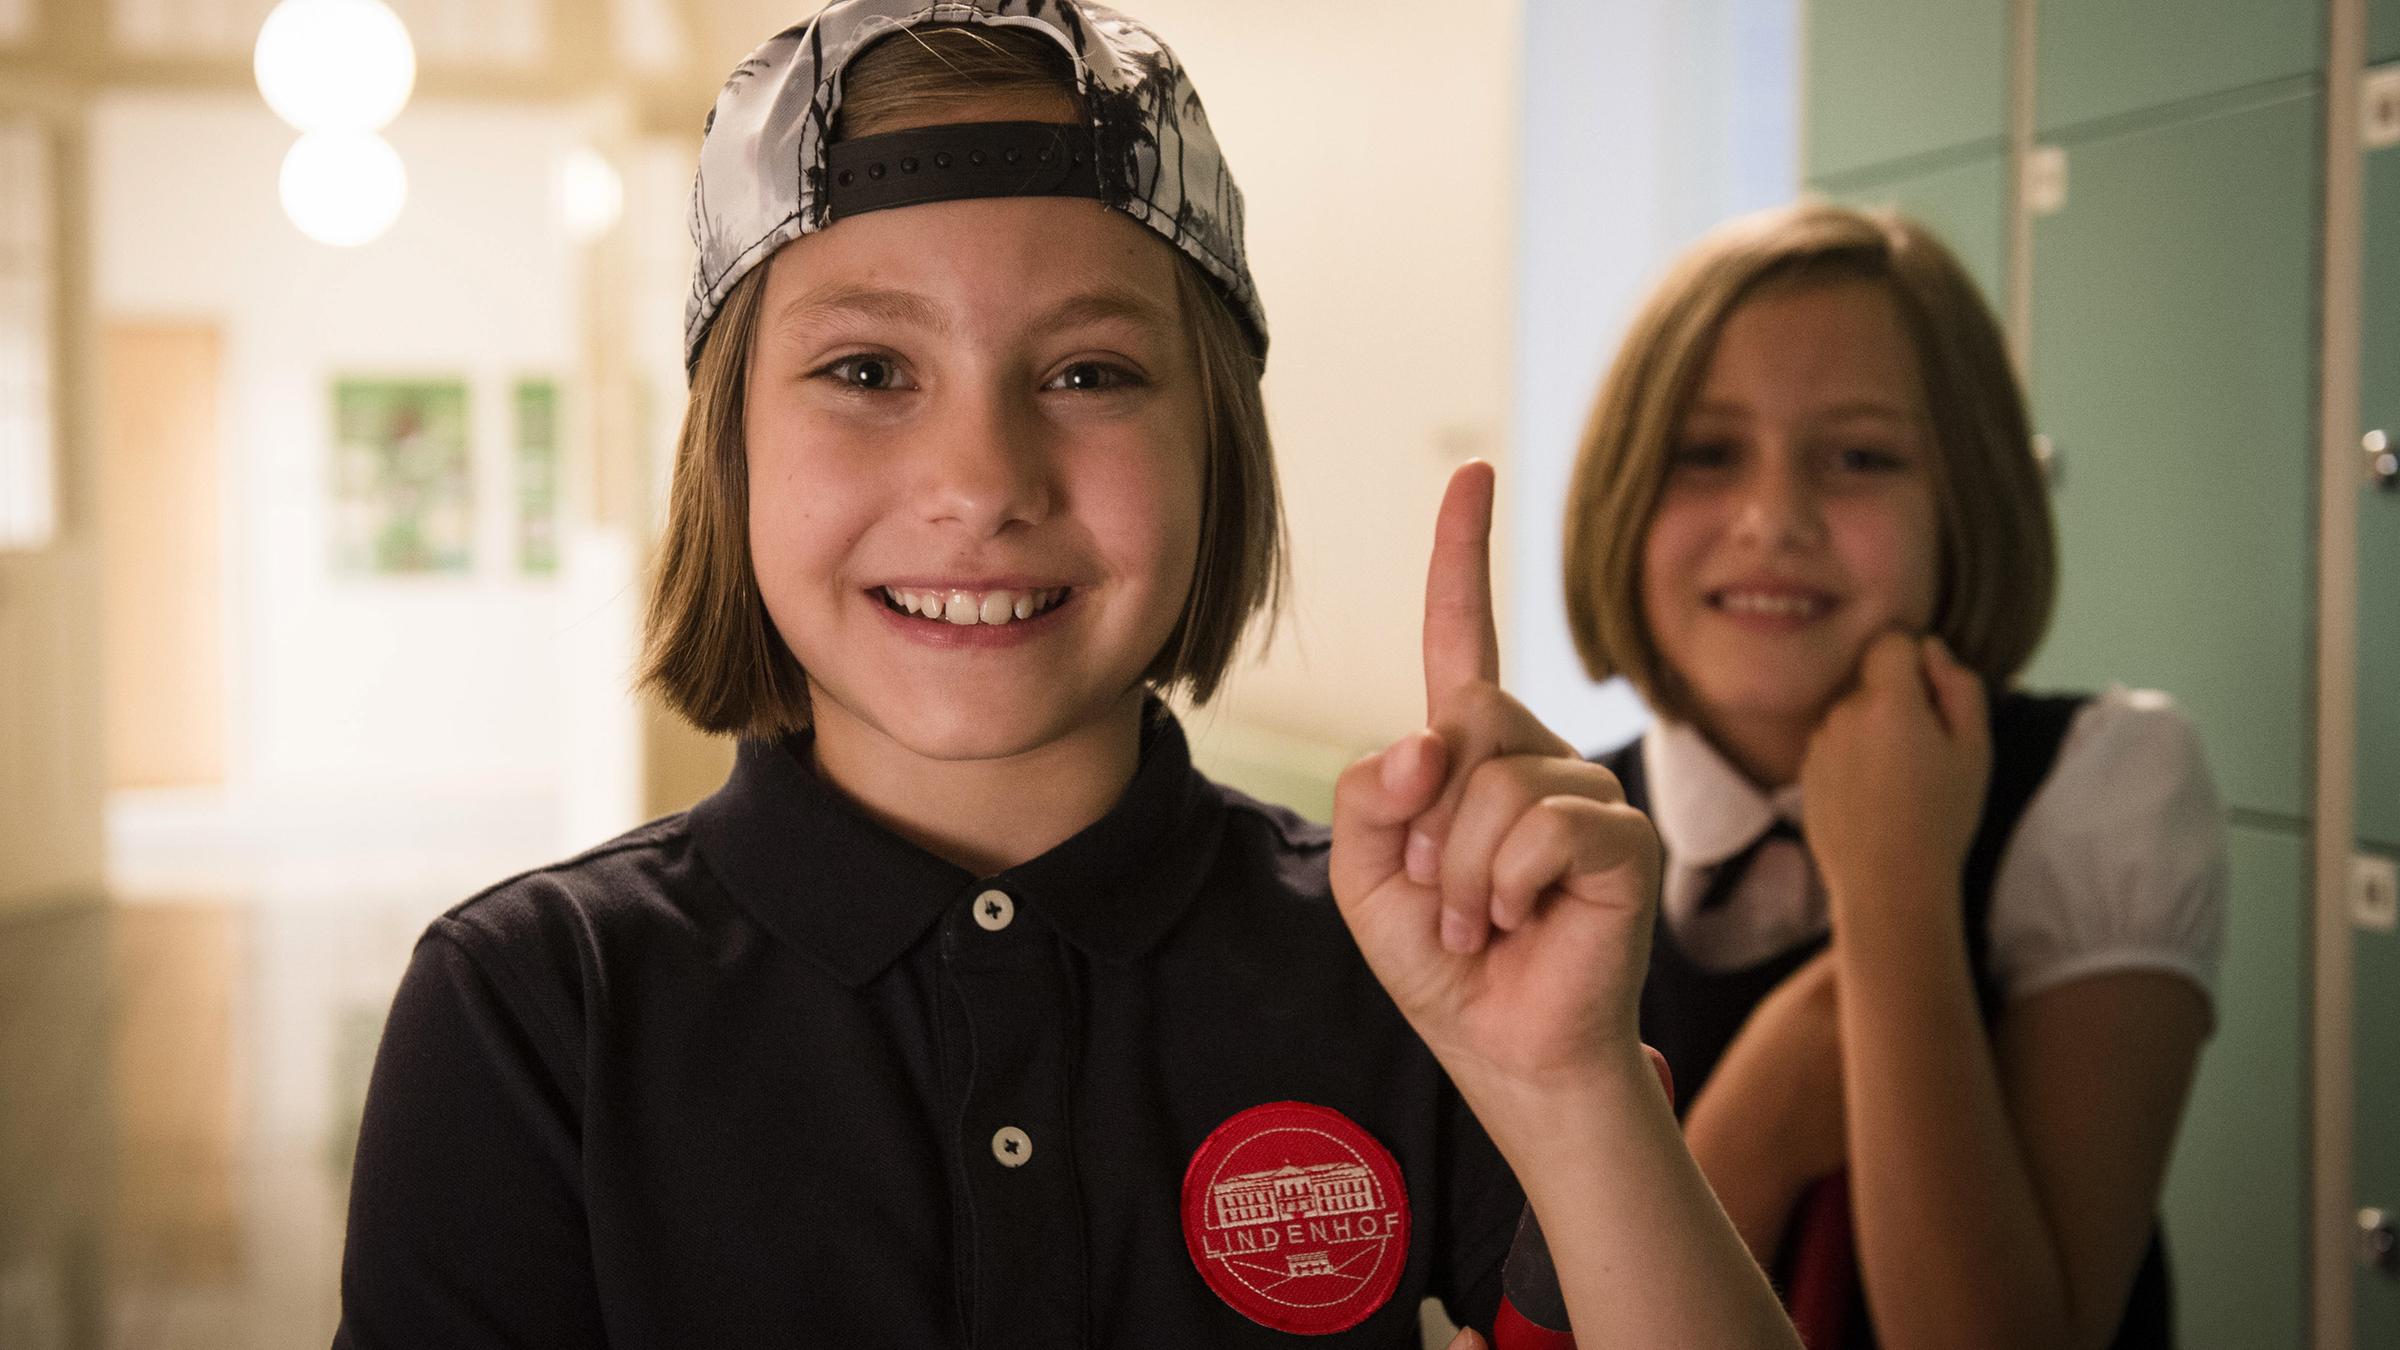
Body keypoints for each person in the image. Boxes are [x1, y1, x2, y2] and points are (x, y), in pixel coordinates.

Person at [332, 4, 1800, 1347]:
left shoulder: (1409, 958)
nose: (980, 482)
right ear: (729, 454)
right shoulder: (536, 1010)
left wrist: (1570, 1089)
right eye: (866, 371)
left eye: (1089, 373)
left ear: (1215, 449)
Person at [1552, 202, 2225, 1349]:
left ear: (1963, 503)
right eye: (1706, 454)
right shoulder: (1550, 838)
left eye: (1860, 458)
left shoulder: (2103, 786)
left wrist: (1896, 886)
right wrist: (1753, 1130)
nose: (1773, 521)